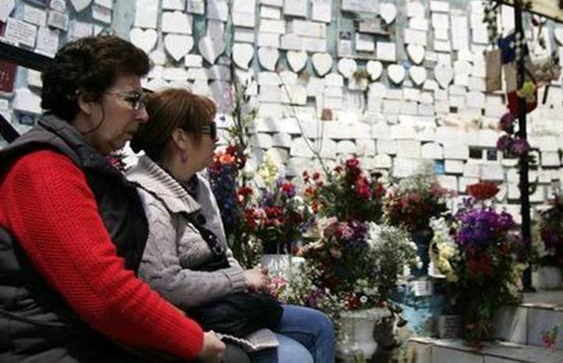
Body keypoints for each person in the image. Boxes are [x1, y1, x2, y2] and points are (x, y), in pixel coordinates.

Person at [0, 36, 226, 361]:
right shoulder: (43, 169)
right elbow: (103, 293)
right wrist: (194, 340)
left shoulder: (82, 164)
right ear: (87, 100)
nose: (143, 115)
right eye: (133, 99)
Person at [127, 88, 335, 363]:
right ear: (180, 138)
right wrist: (239, 279)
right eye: (210, 129)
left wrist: (248, 283)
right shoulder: (146, 195)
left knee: (319, 325)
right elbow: (165, 284)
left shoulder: (198, 185)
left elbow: (222, 253)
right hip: (190, 318)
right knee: (294, 357)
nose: (217, 139)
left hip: (223, 306)